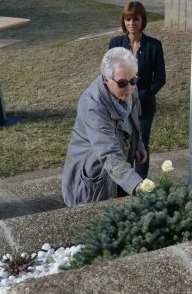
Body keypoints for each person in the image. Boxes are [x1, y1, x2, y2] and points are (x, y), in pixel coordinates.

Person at [62, 47, 147, 206]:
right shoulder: (93, 105)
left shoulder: (129, 91)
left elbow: (135, 121)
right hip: (96, 172)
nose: (129, 88)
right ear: (107, 80)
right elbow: (109, 155)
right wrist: (137, 186)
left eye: (133, 81)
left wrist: (138, 144)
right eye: (122, 83)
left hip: (120, 166)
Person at [109, 1, 166, 179]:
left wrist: (141, 96)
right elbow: (108, 73)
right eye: (128, 19)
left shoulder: (154, 46)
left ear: (143, 21)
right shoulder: (116, 43)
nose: (131, 23)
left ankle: (139, 186)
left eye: (135, 19)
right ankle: (122, 183)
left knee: (141, 145)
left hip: (144, 107)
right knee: (120, 145)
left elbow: (160, 78)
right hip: (119, 106)